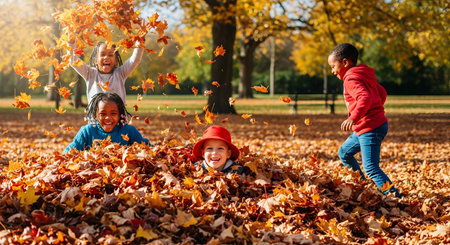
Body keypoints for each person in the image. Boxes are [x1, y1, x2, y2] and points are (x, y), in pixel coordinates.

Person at [328, 43, 402, 197]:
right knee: (344, 153)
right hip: (366, 126)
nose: (332, 71)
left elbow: (365, 97)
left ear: (345, 62)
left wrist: (354, 117)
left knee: (371, 167)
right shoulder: (363, 74)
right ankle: (360, 184)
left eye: (333, 66)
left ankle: (395, 196)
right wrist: (375, 109)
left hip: (370, 127)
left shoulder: (350, 79)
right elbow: (381, 91)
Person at [63, 93, 149, 154]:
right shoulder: (87, 131)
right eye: (102, 114)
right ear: (95, 115)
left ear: (119, 114)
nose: (108, 118)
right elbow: (69, 152)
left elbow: (147, 148)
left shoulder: (129, 131)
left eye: (113, 113)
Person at [69, 40, 144, 105]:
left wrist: (140, 41)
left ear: (116, 60)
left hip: (118, 120)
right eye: (102, 54)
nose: (106, 57)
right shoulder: (89, 73)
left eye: (110, 55)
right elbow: (73, 61)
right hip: (95, 120)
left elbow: (135, 60)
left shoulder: (120, 73)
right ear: (95, 60)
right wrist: (71, 43)